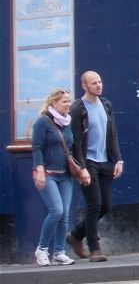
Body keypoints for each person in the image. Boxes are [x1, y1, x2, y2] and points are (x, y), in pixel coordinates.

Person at [67, 71, 122, 263]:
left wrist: (119, 160)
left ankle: (75, 236)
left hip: (104, 161)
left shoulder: (106, 105)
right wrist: (81, 168)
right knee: (94, 204)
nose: (98, 85)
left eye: (100, 81)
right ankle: (95, 248)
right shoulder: (77, 108)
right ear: (84, 85)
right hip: (88, 162)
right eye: (94, 83)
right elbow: (75, 141)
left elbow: (112, 134)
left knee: (105, 206)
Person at [33, 88, 87, 266]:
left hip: (65, 175)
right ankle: (41, 249)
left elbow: (71, 148)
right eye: (64, 101)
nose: (68, 104)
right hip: (48, 174)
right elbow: (37, 147)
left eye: (69, 101)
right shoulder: (43, 122)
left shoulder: (67, 123)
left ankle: (59, 252)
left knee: (64, 214)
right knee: (56, 210)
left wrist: (80, 171)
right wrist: (39, 169)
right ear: (53, 103)